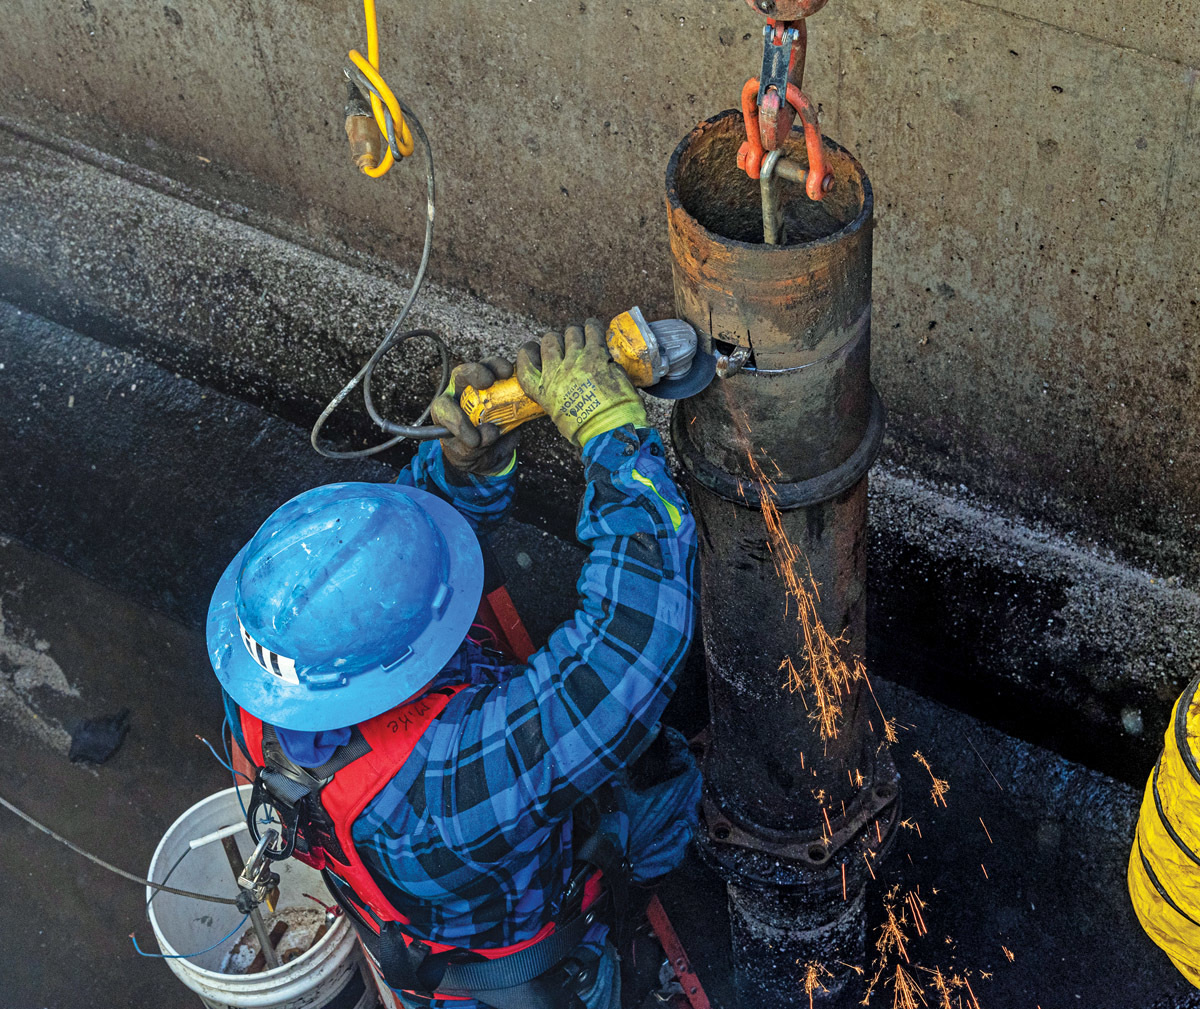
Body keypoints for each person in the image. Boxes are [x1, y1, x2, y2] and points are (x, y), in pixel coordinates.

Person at [207, 320, 700, 1009]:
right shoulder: (440, 794)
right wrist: (612, 438)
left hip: (418, 944)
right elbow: (633, 642)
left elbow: (386, 587)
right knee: (671, 785)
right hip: (522, 975)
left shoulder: (266, 690)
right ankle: (630, 946)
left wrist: (462, 473)